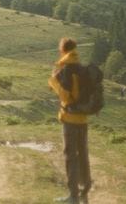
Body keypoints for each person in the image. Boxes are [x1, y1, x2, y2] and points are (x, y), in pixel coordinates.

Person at [49, 38, 92, 204]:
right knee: (83, 153)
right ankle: (84, 191)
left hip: (70, 119)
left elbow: (66, 96)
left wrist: (54, 82)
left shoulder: (67, 69)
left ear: (62, 50)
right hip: (83, 118)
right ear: (75, 49)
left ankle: (73, 196)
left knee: (70, 156)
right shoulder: (82, 68)